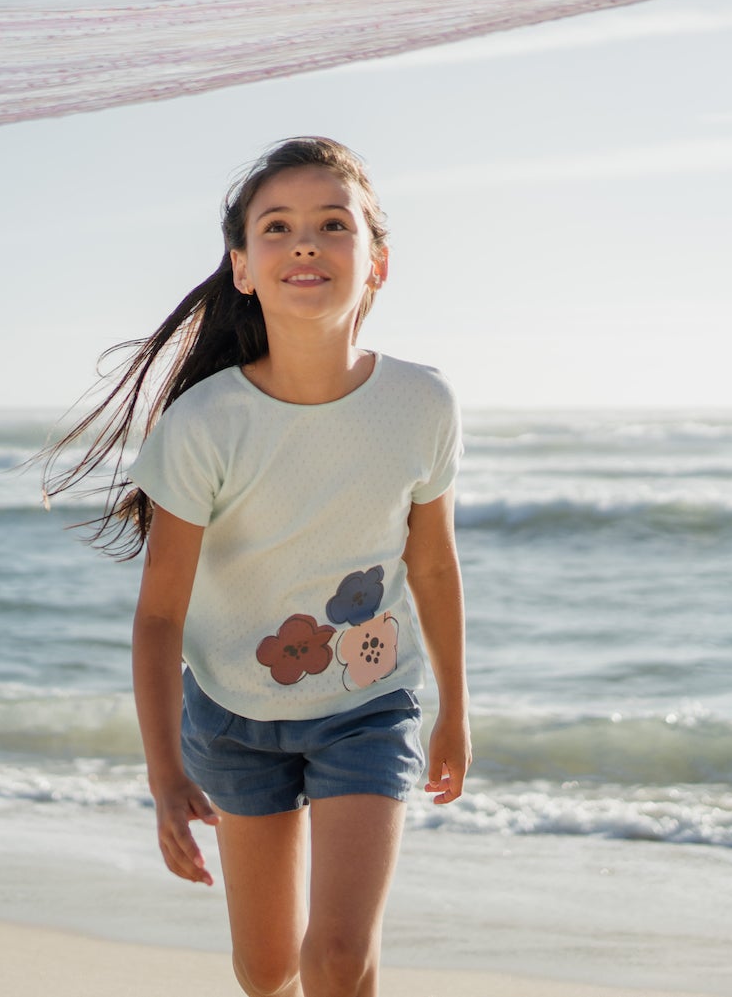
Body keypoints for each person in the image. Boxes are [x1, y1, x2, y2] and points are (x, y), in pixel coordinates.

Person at [36, 135, 470, 997]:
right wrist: (165, 775)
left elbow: (432, 566)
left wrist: (456, 707)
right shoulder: (204, 425)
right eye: (277, 226)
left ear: (376, 261)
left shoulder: (422, 403)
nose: (304, 242)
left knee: (339, 957)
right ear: (242, 266)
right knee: (268, 969)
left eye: (331, 223)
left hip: (367, 700)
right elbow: (160, 615)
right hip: (234, 713)